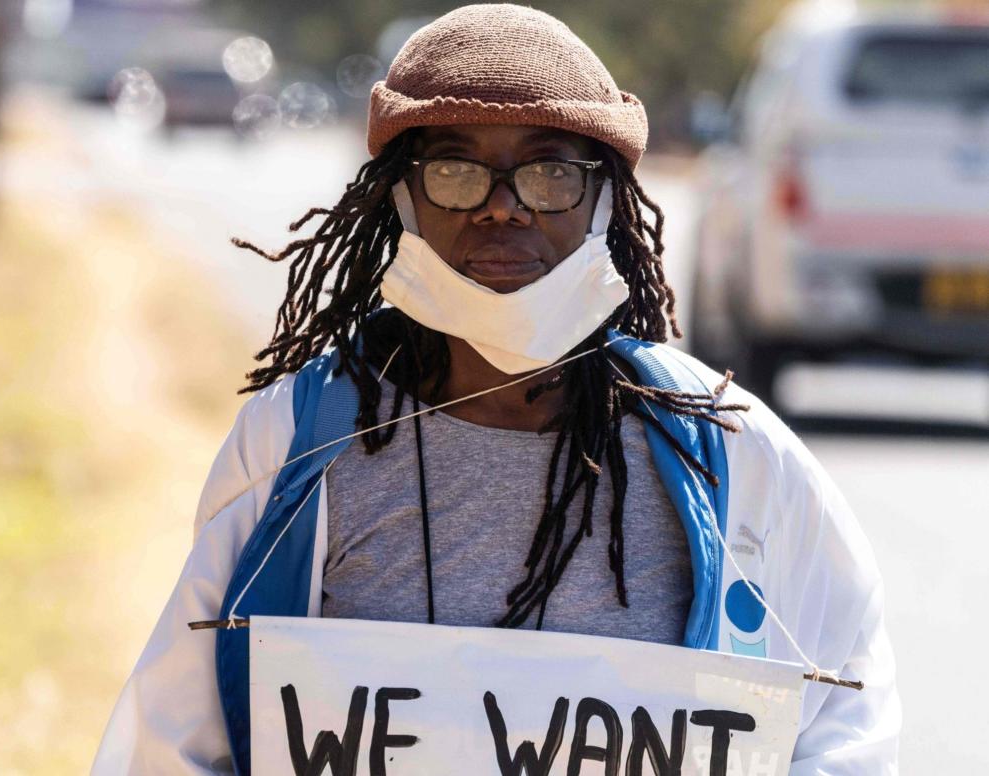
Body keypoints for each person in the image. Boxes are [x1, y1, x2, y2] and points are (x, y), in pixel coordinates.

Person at [91, 4, 900, 774]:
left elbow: (842, 722)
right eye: (455, 171)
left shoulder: (731, 449)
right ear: (399, 198)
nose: (503, 209)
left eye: (550, 173)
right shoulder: (297, 440)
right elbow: (174, 740)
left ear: (606, 201)